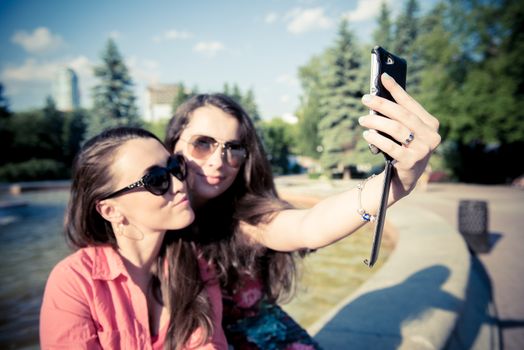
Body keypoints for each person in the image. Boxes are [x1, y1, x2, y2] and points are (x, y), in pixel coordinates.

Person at [165, 73, 441, 349]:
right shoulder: (143, 214)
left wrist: (393, 184)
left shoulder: (244, 219)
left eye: (233, 147)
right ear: (172, 144)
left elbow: (310, 226)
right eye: (202, 143)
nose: (218, 161)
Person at [40, 127, 227, 350]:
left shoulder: (198, 266)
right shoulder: (74, 282)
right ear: (110, 211)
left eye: (174, 167)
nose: (179, 185)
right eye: (156, 180)